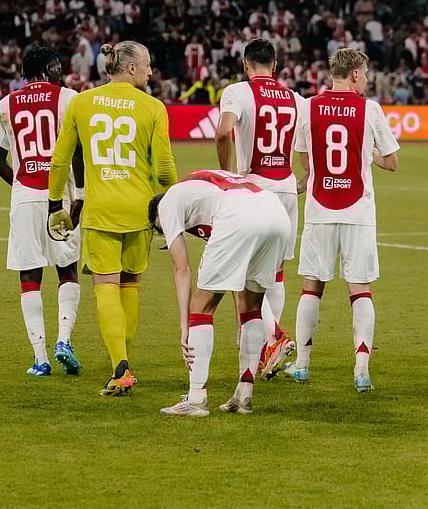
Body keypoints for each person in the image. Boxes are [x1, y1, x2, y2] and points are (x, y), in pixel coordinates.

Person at [47, 40, 177, 397]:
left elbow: (60, 161)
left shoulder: (81, 103)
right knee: (131, 286)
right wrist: (176, 201)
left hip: (101, 211)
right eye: (148, 65)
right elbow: (164, 167)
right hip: (138, 210)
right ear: (131, 68)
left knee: (105, 287)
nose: (151, 72)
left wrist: (54, 203)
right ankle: (124, 365)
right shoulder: (153, 107)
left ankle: (120, 366)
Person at [286, 48, 399, 392]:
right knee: (360, 289)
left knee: (311, 287)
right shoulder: (370, 109)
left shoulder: (308, 106)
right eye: (364, 74)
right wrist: (367, 155)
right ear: (353, 75)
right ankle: (361, 369)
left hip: (321, 208)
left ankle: (303, 365)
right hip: (358, 211)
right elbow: (392, 162)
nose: (366, 80)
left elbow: (304, 158)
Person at [149, 170, 291, 417]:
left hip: (240, 216)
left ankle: (196, 399)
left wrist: (184, 326)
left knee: (201, 307)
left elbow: (181, 268)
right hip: (276, 212)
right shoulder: (199, 185)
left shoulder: (168, 202)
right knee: (251, 308)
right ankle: (244, 395)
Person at [0, 45, 84, 377]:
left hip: (25, 196)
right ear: (44, 69)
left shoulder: (5, 104)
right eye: (56, 65)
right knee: (67, 268)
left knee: (29, 273)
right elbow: (77, 152)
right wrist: (79, 197)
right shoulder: (68, 98)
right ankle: (64, 341)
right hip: (62, 196)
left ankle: (40, 358)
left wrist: (19, 183)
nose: (61, 70)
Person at [215, 38, 305, 378]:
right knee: (275, 272)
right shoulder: (295, 98)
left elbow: (224, 132)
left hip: (254, 188)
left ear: (245, 65)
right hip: (285, 187)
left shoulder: (237, 92)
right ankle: (266, 346)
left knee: (244, 275)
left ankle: (273, 336)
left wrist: (226, 174)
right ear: (276, 65)